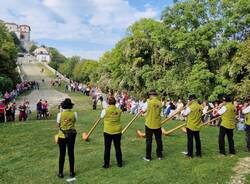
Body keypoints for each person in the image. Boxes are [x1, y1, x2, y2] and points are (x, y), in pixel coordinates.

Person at [56, 98, 77, 178]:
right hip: (71, 134)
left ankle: (61, 173)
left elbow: (58, 125)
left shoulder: (59, 114)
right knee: (71, 153)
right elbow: (74, 121)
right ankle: (71, 172)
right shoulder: (74, 113)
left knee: (62, 154)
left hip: (62, 135)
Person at [100, 96, 123, 168]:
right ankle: (119, 163)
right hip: (117, 131)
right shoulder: (119, 110)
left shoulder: (105, 110)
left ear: (108, 103)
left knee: (107, 148)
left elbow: (101, 117)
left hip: (108, 131)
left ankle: (106, 164)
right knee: (117, 147)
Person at [142, 90, 163, 161]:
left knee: (149, 141)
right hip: (157, 124)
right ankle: (159, 155)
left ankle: (148, 157)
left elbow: (143, 110)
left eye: (149, 96)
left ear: (151, 95)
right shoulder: (160, 103)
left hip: (149, 124)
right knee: (159, 140)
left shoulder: (148, 103)